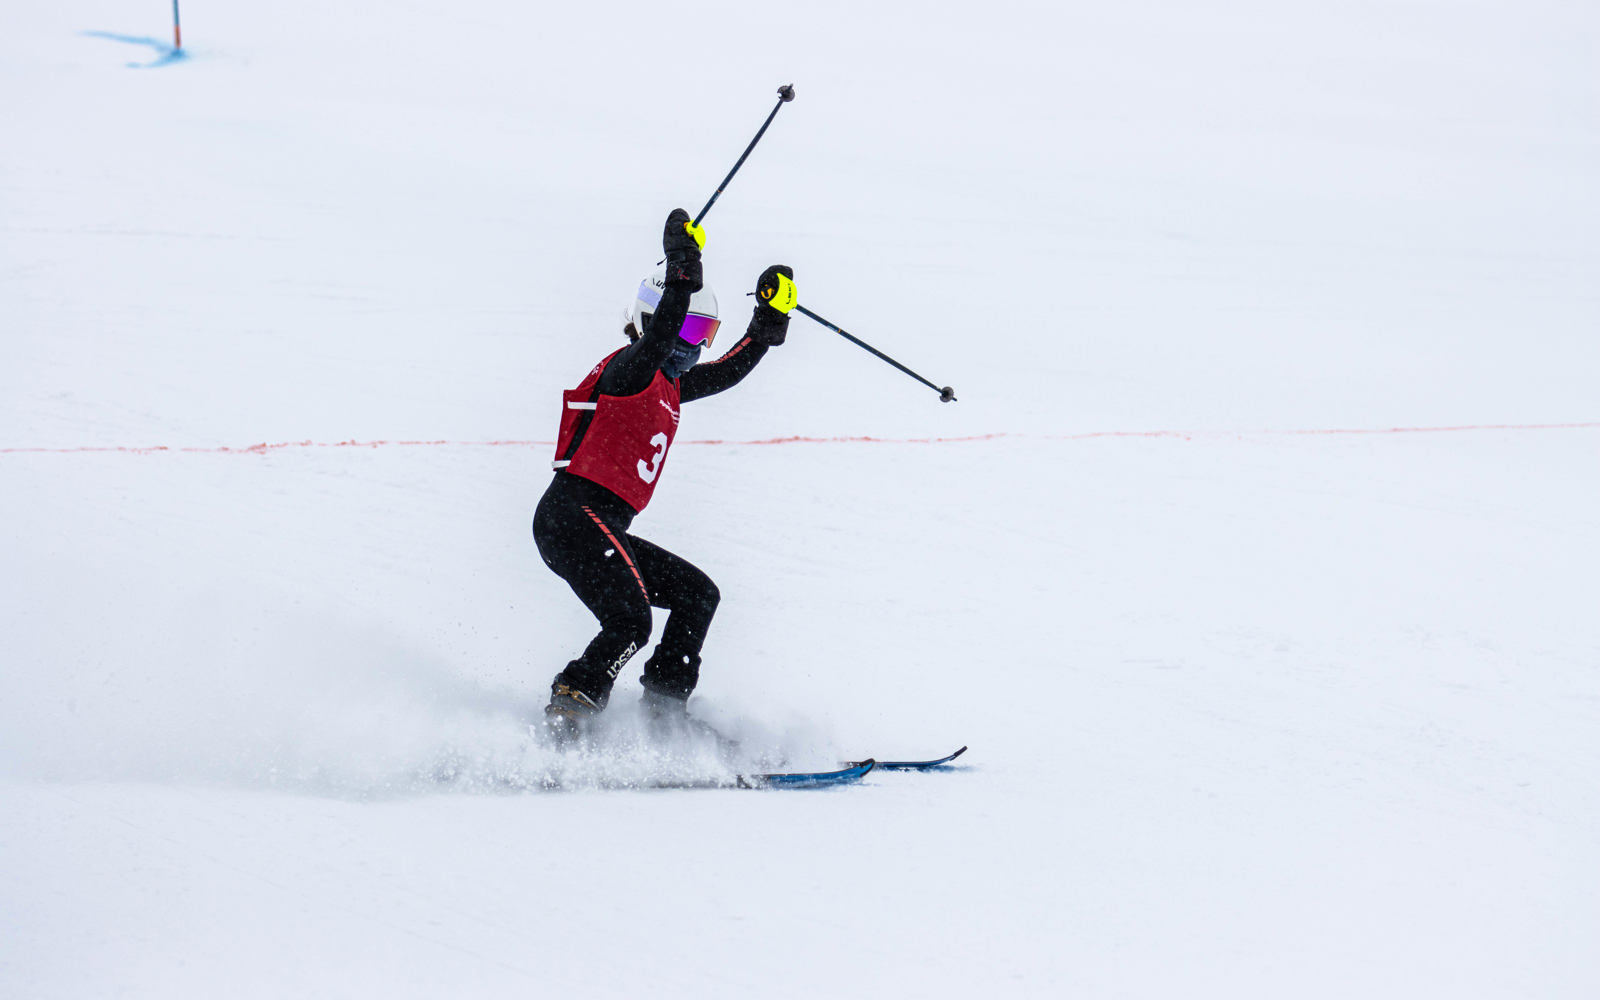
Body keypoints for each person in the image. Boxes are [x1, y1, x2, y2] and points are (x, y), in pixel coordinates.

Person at [533, 208, 796, 738]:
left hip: (600, 525)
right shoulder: (632, 367)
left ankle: (663, 713)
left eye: (703, 331)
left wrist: (767, 327)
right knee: (631, 622)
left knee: (698, 595)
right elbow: (659, 339)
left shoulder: (670, 384)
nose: (690, 342)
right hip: (572, 517)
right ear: (652, 320)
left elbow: (723, 373)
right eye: (683, 327)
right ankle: (572, 707)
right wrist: (683, 262)